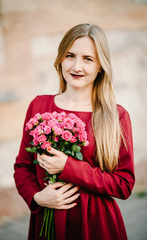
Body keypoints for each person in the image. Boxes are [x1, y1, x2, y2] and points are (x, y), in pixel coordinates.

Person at [14, 23, 135, 240]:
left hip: (96, 225)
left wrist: (69, 167)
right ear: (60, 59)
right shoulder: (39, 106)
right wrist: (37, 198)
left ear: (100, 66)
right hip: (47, 222)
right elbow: (23, 166)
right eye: (70, 55)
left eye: (88, 59)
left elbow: (124, 185)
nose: (76, 66)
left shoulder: (116, 116)